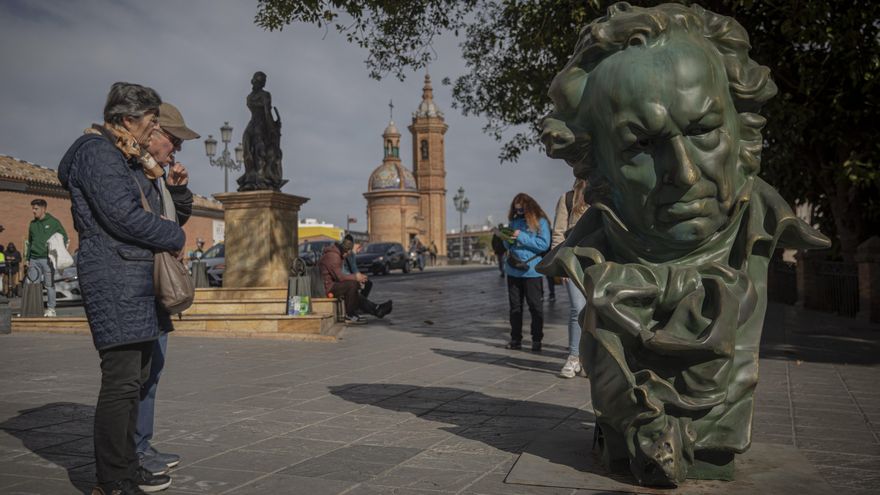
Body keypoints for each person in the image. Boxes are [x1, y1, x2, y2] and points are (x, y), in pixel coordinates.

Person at [58, 82, 184, 495]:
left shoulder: (124, 155)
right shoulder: (97, 153)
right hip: (115, 279)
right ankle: (113, 479)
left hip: (133, 278)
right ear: (128, 118)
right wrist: (174, 235)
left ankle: (129, 465)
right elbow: (123, 217)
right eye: (151, 120)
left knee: (137, 378)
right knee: (122, 381)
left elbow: (143, 209)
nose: (154, 129)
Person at [132, 102, 198, 479]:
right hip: (139, 286)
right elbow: (144, 225)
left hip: (156, 288)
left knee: (153, 370)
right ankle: (132, 451)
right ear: (153, 132)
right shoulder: (135, 172)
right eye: (174, 141)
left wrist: (179, 190)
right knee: (136, 374)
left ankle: (142, 442)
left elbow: (175, 219)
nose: (176, 150)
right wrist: (171, 235)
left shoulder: (157, 175)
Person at [551, 179, 590, 378]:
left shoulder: (605, 194)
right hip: (573, 263)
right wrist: (560, 265)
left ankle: (587, 359)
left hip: (599, 264)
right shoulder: (567, 199)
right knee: (578, 308)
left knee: (595, 311)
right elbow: (558, 234)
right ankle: (573, 356)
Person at [503, 193, 551, 352]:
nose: (519, 212)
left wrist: (521, 236)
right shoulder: (514, 221)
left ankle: (536, 340)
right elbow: (508, 245)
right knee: (515, 307)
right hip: (513, 270)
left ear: (528, 207)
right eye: (516, 209)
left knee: (535, 307)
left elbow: (544, 244)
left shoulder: (540, 222)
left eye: (521, 209)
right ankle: (515, 339)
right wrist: (506, 238)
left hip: (531, 271)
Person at [318, 238, 392, 325]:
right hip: (328, 288)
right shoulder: (333, 257)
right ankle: (350, 315)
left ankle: (376, 309)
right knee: (352, 285)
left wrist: (357, 278)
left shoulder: (337, 254)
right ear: (345, 250)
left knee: (355, 286)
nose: (348, 254)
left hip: (331, 285)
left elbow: (341, 276)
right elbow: (340, 277)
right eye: (348, 252)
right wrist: (355, 277)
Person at [25, 198, 68, 317]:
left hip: (47, 260)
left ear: (43, 209)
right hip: (34, 259)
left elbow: (64, 237)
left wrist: (55, 249)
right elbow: (30, 242)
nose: (33, 211)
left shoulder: (54, 222)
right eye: (33, 208)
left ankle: (51, 309)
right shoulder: (32, 224)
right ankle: (34, 309)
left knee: (49, 285)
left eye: (36, 208)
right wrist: (27, 258)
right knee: (33, 285)